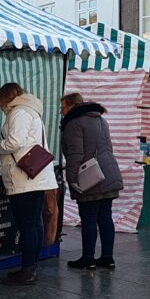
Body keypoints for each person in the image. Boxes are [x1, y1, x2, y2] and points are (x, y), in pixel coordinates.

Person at [0, 83, 59, 286]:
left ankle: (28, 269)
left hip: (25, 177)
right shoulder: (31, 110)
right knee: (34, 223)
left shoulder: (18, 112)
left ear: (4, 98)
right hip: (36, 175)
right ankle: (31, 266)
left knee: (28, 224)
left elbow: (15, 141)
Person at [59, 93, 124, 270]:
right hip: (108, 173)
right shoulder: (101, 119)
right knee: (105, 217)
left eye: (63, 107)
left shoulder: (74, 123)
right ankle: (107, 258)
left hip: (90, 177)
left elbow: (75, 154)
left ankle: (88, 258)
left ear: (72, 106)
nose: (61, 111)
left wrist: (72, 179)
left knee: (88, 218)